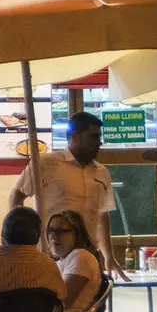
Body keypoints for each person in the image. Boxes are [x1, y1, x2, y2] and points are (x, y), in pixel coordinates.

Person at [11, 111, 117, 270]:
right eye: (93, 137)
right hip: (52, 256)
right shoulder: (46, 163)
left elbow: (102, 215)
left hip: (90, 255)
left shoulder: (102, 172)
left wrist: (109, 256)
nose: (99, 143)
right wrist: (22, 242)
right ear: (75, 136)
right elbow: (16, 196)